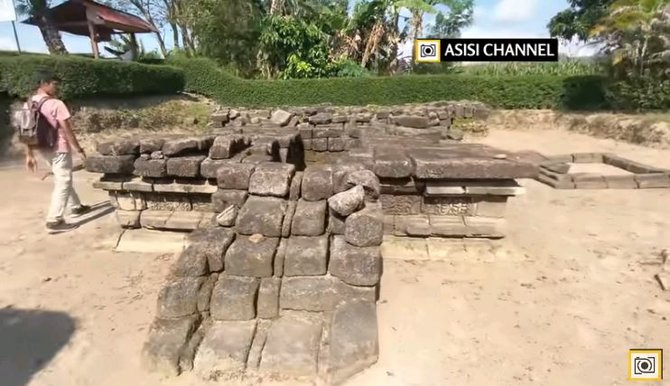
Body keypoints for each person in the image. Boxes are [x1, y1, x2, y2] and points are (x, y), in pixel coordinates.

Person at [23, 70, 91, 234]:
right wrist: (78, 149)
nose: (57, 87)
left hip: (43, 148)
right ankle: (54, 220)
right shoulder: (56, 103)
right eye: (54, 83)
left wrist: (29, 154)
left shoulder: (29, 103)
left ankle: (76, 206)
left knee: (63, 177)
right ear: (44, 83)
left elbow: (26, 130)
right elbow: (67, 129)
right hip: (59, 147)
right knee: (63, 181)